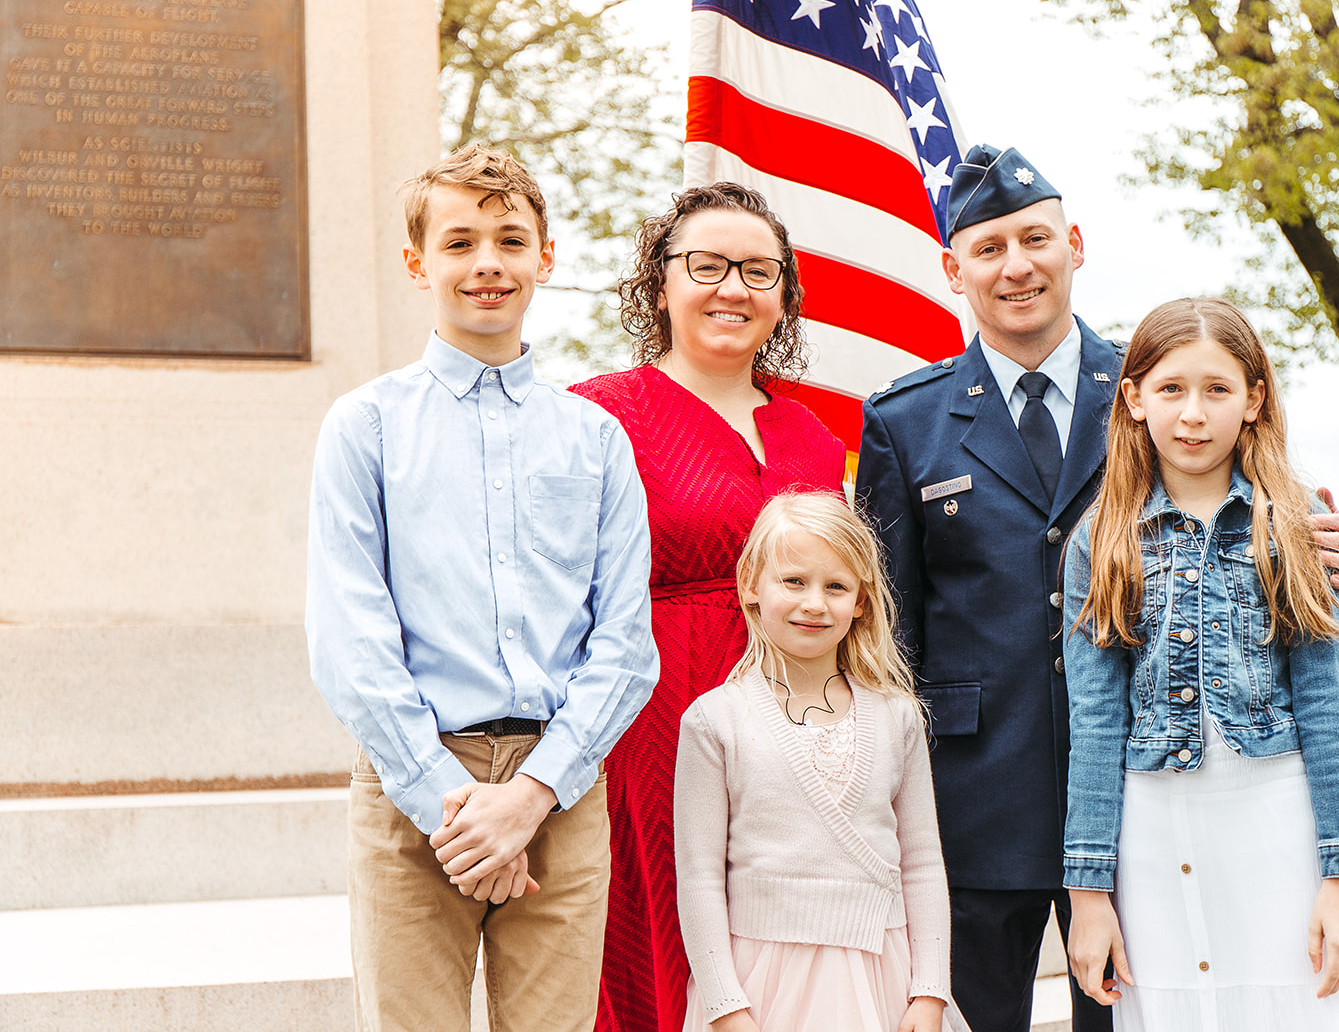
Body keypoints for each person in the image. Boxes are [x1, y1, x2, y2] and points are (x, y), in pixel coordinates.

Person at [854, 145, 1339, 1032]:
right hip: (980, 794)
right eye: (988, 247)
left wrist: (1338, 581)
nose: (1016, 265)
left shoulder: (1162, 381)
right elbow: (892, 638)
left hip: (1146, 802)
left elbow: (1258, 551)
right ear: (953, 268)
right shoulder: (906, 420)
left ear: (1074, 243)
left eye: (1035, 238)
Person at [305, 143, 659, 1032]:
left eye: (510, 239)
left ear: (546, 256)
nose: (487, 263)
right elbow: (350, 634)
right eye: (460, 242)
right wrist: (452, 810)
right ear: (418, 262)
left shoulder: (597, 440)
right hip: (414, 783)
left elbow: (624, 641)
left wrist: (531, 797)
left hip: (562, 784)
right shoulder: (367, 426)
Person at [1060, 297, 1339, 1031]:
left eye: (1217, 389)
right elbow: (1093, 722)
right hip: (1154, 832)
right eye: (1171, 388)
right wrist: (1089, 897)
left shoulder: (1297, 522)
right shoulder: (1102, 538)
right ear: (1134, 398)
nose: (1192, 413)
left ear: (1253, 399)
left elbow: (1328, 706)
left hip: (1276, 820)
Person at [571, 183, 847, 1032]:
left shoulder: (812, 433)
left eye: (759, 270)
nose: (734, 286)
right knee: (671, 942)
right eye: (708, 264)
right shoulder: (599, 415)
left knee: (786, 945)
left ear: (784, 295)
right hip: (657, 718)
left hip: (802, 720)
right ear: (661, 283)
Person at [675, 491, 970, 1032]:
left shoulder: (897, 716)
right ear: (751, 588)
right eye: (794, 582)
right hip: (760, 987)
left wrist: (930, 991)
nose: (815, 603)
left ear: (861, 600)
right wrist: (724, 1005)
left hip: (881, 978)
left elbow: (922, 863)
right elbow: (697, 877)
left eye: (836, 586)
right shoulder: (713, 721)